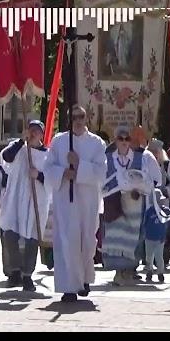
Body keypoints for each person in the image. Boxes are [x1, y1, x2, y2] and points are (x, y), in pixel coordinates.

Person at [44, 105, 107, 303]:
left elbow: (100, 172)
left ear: (86, 118)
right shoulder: (59, 141)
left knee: (87, 242)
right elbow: (48, 167)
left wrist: (79, 165)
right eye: (74, 118)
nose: (78, 121)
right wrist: (64, 173)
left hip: (87, 199)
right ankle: (69, 286)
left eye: (81, 117)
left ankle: (85, 278)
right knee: (67, 241)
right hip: (65, 199)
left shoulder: (97, 143)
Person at [0, 120, 51, 292]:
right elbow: (6, 158)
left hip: (36, 199)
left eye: (37, 131)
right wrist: (22, 141)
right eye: (31, 130)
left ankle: (27, 275)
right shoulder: (19, 148)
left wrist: (39, 175)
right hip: (16, 197)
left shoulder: (48, 154)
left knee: (32, 238)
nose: (34, 133)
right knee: (10, 234)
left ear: (42, 134)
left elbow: (53, 178)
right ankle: (14, 271)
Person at [101, 125, 159, 286]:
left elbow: (152, 179)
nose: (125, 142)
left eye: (127, 139)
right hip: (114, 203)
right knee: (115, 237)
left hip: (134, 203)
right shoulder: (107, 158)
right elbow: (101, 180)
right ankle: (119, 272)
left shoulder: (141, 158)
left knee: (133, 237)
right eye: (121, 139)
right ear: (115, 141)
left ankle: (128, 271)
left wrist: (140, 187)